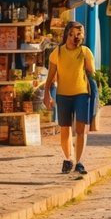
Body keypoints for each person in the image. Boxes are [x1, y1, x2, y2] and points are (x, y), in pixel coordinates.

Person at [44, 20, 96, 175]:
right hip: (63, 95)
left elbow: (91, 71)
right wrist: (47, 93)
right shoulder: (57, 52)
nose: (75, 37)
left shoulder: (85, 51)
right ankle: (68, 158)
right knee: (65, 129)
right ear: (66, 34)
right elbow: (51, 75)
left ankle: (79, 162)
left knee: (80, 129)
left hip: (82, 93)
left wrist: (86, 57)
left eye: (78, 34)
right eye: (72, 34)